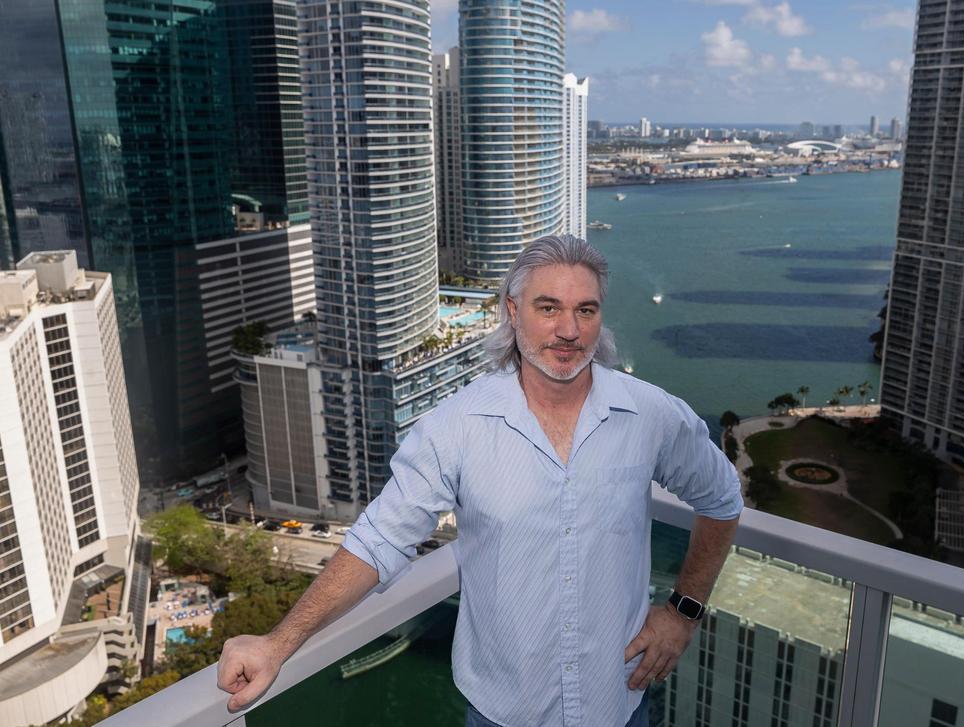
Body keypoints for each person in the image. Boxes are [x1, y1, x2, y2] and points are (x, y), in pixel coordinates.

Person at [217, 235, 743, 726]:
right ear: (513, 312)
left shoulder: (650, 414)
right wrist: (277, 642)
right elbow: (378, 542)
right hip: (500, 713)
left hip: (619, 704)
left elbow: (720, 498)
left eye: (586, 310)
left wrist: (684, 611)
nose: (569, 330)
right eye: (548, 307)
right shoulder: (456, 427)